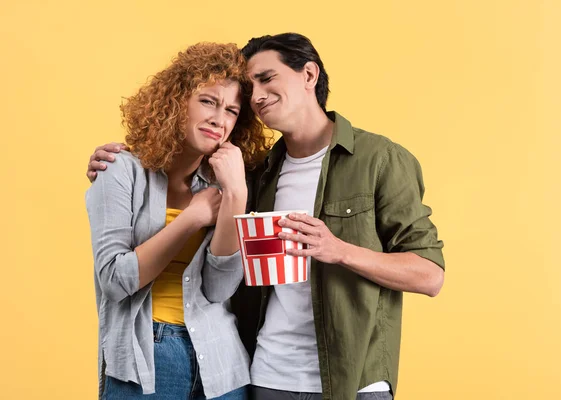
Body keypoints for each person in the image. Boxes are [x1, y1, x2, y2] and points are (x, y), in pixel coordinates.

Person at [88, 33, 445, 400]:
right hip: (266, 376)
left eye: (266, 79)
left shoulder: (379, 160)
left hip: (352, 379)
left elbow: (431, 275)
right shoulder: (256, 173)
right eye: (249, 87)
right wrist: (126, 167)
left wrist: (338, 249)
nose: (256, 96)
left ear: (309, 74)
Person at [85, 42, 270, 399]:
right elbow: (114, 279)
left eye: (232, 110)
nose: (220, 119)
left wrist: (236, 196)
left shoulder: (225, 183)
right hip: (146, 358)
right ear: (175, 101)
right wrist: (192, 217)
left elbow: (218, 289)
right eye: (208, 101)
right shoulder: (120, 171)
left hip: (221, 360)